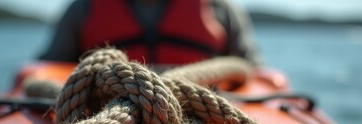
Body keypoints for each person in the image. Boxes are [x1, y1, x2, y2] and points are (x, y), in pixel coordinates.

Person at [39, 0, 262, 66]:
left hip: (205, 119)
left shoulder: (221, 10)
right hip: (104, 118)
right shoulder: (82, 9)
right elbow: (47, 71)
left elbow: (252, 70)